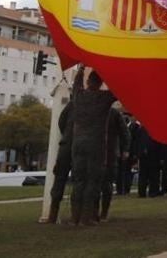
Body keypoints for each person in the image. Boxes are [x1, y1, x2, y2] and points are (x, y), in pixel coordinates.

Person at [70, 68, 118, 226]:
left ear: (88, 82)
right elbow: (118, 90)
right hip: (95, 144)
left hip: (77, 143)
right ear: (100, 83)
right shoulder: (102, 98)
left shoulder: (78, 96)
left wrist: (81, 69)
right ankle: (86, 218)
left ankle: (75, 217)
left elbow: (76, 84)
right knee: (92, 180)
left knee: (79, 180)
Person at [45, 85, 75, 224]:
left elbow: (61, 121)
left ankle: (53, 213)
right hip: (79, 147)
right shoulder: (87, 105)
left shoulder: (71, 105)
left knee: (59, 180)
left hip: (66, 145)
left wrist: (66, 136)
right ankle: (77, 214)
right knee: (80, 180)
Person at [99, 105, 130, 220]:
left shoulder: (114, 113)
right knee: (94, 184)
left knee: (106, 184)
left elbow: (125, 133)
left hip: (110, 153)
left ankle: (104, 212)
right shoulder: (94, 111)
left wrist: (125, 150)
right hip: (96, 152)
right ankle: (93, 211)